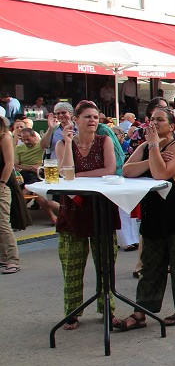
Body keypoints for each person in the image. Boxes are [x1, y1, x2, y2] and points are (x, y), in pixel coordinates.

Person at [115, 106, 175, 330]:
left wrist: (154, 147)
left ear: (172, 126)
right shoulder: (145, 147)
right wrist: (153, 152)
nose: (154, 123)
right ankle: (141, 312)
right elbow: (126, 170)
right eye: (151, 119)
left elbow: (161, 173)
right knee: (151, 266)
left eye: (160, 120)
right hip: (153, 213)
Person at [54, 101, 118, 329]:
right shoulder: (63, 144)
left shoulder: (105, 141)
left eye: (96, 117)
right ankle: (72, 312)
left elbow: (110, 170)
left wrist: (79, 175)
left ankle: (107, 309)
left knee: (105, 263)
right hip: (73, 210)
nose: (93, 120)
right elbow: (66, 174)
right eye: (87, 117)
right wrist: (70, 141)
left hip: (100, 208)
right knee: (72, 264)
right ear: (76, 120)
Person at [0, 113, 18, 274]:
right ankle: (3, 257)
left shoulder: (4, 136)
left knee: (3, 222)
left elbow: (9, 164)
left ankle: (12, 259)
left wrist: (1, 183)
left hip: (2, 184)